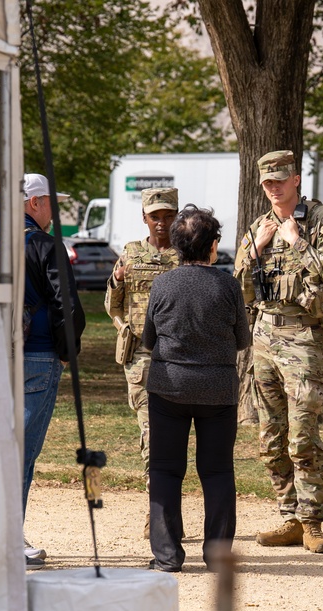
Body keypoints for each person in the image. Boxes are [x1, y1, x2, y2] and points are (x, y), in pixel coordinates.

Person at [234, 150, 323, 554]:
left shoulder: (322, 221)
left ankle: (312, 521)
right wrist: (256, 249)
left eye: (280, 180)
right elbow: (240, 289)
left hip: (302, 340)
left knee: (302, 436)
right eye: (267, 183)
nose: (274, 188)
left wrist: (296, 241)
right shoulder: (258, 226)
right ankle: (288, 516)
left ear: (296, 179)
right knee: (270, 437)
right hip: (264, 338)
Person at [142, 206, 251, 571]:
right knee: (217, 471)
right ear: (212, 245)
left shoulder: (162, 284)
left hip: (168, 387)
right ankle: (218, 556)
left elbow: (148, 338)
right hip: (217, 389)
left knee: (165, 470)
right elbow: (241, 339)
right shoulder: (228, 284)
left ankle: (167, 556)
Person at [105, 188, 181, 538]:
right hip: (142, 358)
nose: (162, 223)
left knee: (178, 436)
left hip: (181, 356)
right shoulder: (131, 254)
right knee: (152, 433)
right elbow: (112, 304)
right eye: (155, 216)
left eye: (168, 215)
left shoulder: (187, 255)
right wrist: (117, 286)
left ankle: (171, 512)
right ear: (144, 218)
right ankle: (159, 513)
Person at [21, 173, 85, 569]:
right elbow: (69, 306)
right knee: (20, 455)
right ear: (34, 204)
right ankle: (9, 536)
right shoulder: (46, 245)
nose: (54, 210)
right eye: (50, 201)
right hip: (39, 355)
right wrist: (66, 352)